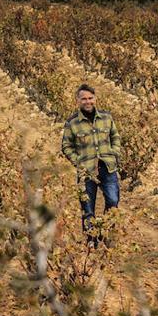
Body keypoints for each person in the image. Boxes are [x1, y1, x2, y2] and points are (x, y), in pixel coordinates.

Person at [61, 83, 122, 247]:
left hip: (107, 167)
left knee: (113, 201)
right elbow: (66, 146)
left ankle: (106, 234)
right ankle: (91, 241)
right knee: (87, 209)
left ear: (95, 99)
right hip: (86, 172)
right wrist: (78, 162)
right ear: (78, 101)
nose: (87, 101)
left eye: (90, 98)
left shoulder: (106, 117)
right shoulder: (72, 123)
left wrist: (114, 152)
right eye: (84, 99)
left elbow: (115, 137)